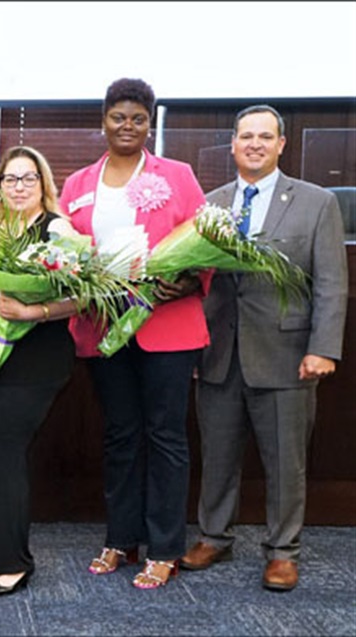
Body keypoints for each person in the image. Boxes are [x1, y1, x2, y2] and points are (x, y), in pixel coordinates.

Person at [183, 105, 348, 592]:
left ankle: (282, 552)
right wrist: (193, 350)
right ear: (232, 145)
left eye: (265, 136)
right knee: (216, 455)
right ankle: (214, 536)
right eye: (246, 136)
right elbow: (199, 284)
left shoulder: (317, 202)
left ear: (281, 145)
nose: (254, 143)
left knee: (285, 462)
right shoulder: (210, 204)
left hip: (286, 355)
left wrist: (324, 349)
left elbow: (332, 285)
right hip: (217, 354)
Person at [59, 78, 209, 590]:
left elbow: (205, 242)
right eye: (118, 117)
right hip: (105, 330)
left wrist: (185, 280)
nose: (127, 126)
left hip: (167, 327)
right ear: (103, 120)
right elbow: (65, 253)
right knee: (120, 434)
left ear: (150, 123)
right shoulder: (78, 184)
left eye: (137, 118)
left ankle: (165, 546)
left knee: (165, 436)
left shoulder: (178, 174)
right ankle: (121, 538)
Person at [0, 146, 78, 596]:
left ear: (43, 185)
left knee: (8, 450)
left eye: (28, 178)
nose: (18, 187)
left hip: (36, 361)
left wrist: (37, 311)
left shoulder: (58, 232)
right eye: (10, 179)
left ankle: (14, 562)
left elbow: (84, 297)